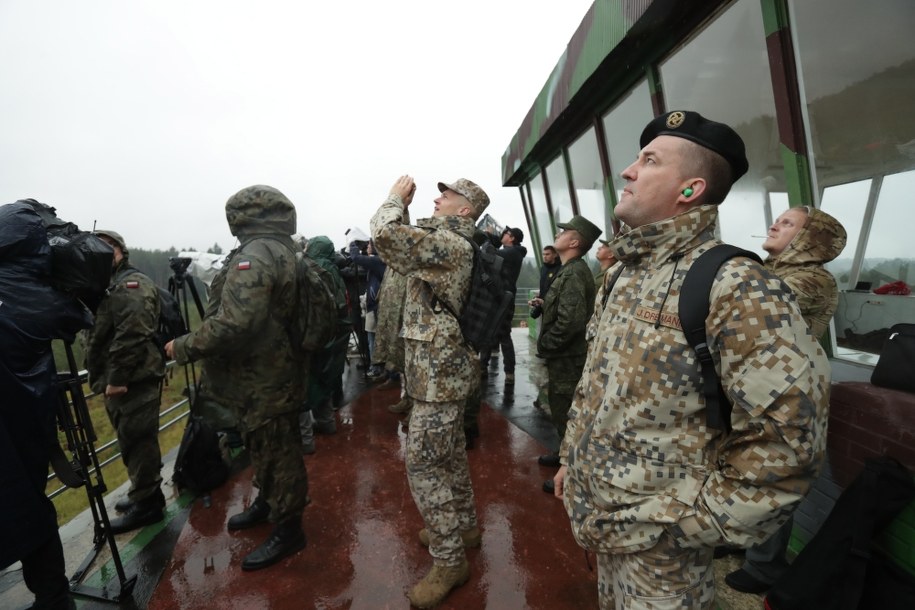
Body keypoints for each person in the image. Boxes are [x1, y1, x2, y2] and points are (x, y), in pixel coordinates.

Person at [553, 110, 831, 609]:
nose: (628, 171)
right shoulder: (623, 275)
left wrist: (686, 526)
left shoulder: (737, 284)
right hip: (603, 519)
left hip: (664, 555)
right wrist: (572, 463)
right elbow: (596, 384)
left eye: (649, 161)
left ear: (690, 189)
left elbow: (790, 442)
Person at [165, 185, 309, 571]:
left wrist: (184, 346)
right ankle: (268, 502)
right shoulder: (279, 248)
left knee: (278, 450)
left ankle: (289, 528)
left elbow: (236, 323)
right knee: (262, 443)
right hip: (270, 370)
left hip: (265, 375)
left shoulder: (257, 253)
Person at [370, 175, 488, 609]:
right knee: (450, 455)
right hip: (438, 374)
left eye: (447, 195)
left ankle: (449, 560)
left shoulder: (450, 245)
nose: (438, 199)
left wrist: (394, 200)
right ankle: (465, 528)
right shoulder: (451, 243)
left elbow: (385, 236)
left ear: (465, 210)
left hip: (439, 377)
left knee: (423, 464)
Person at [725, 205, 846, 594]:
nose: (775, 224)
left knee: (770, 477)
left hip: (787, 395)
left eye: (788, 222)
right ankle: (739, 540)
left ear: (809, 238)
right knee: (740, 468)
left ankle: (764, 566)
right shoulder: (770, 271)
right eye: (778, 219)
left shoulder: (812, 280)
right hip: (757, 390)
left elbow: (752, 305)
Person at [1, 201, 90, 610]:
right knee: (30, 505)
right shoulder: (39, 297)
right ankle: (53, 598)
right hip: (28, 424)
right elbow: (79, 316)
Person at [86, 229, 166, 534]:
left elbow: (133, 332)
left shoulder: (131, 284)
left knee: (138, 440)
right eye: (96, 247)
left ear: (121, 250)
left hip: (134, 379)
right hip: (121, 378)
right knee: (130, 439)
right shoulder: (109, 284)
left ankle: (148, 505)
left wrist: (117, 378)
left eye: (109, 246)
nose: (103, 251)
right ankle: (143, 493)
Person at [534, 215, 602, 494]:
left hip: (568, 359)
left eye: (564, 232)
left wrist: (546, 344)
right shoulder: (568, 270)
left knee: (568, 413)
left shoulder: (573, 273)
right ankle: (564, 453)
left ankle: (571, 474)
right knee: (562, 409)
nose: (557, 235)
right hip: (565, 357)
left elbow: (570, 323)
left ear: (574, 243)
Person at [303, 235, 351, 437]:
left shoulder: (314, 268)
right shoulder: (331, 267)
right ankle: (332, 411)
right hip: (341, 325)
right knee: (333, 368)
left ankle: (324, 420)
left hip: (326, 329)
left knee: (318, 375)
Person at [479, 226, 527, 385]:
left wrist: (487, 236)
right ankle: (485, 367)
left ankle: (508, 371)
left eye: (505, 233)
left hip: (503, 297)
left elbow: (489, 254)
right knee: (491, 332)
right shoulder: (512, 252)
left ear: (512, 238)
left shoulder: (513, 252)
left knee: (503, 335)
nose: (502, 235)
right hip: (499, 296)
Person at [348, 239, 387, 377]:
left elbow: (356, 258)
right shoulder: (379, 260)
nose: (367, 247)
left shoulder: (376, 260)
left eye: (369, 245)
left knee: (373, 340)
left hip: (375, 306)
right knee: (375, 339)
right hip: (375, 305)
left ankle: (376, 368)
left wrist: (353, 245)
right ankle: (379, 367)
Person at [528, 245, 561, 317]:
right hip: (544, 306)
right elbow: (543, 287)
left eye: (547, 254)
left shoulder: (560, 268)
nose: (545, 256)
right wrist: (536, 299)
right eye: (543, 254)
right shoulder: (543, 268)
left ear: (555, 255)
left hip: (555, 306)